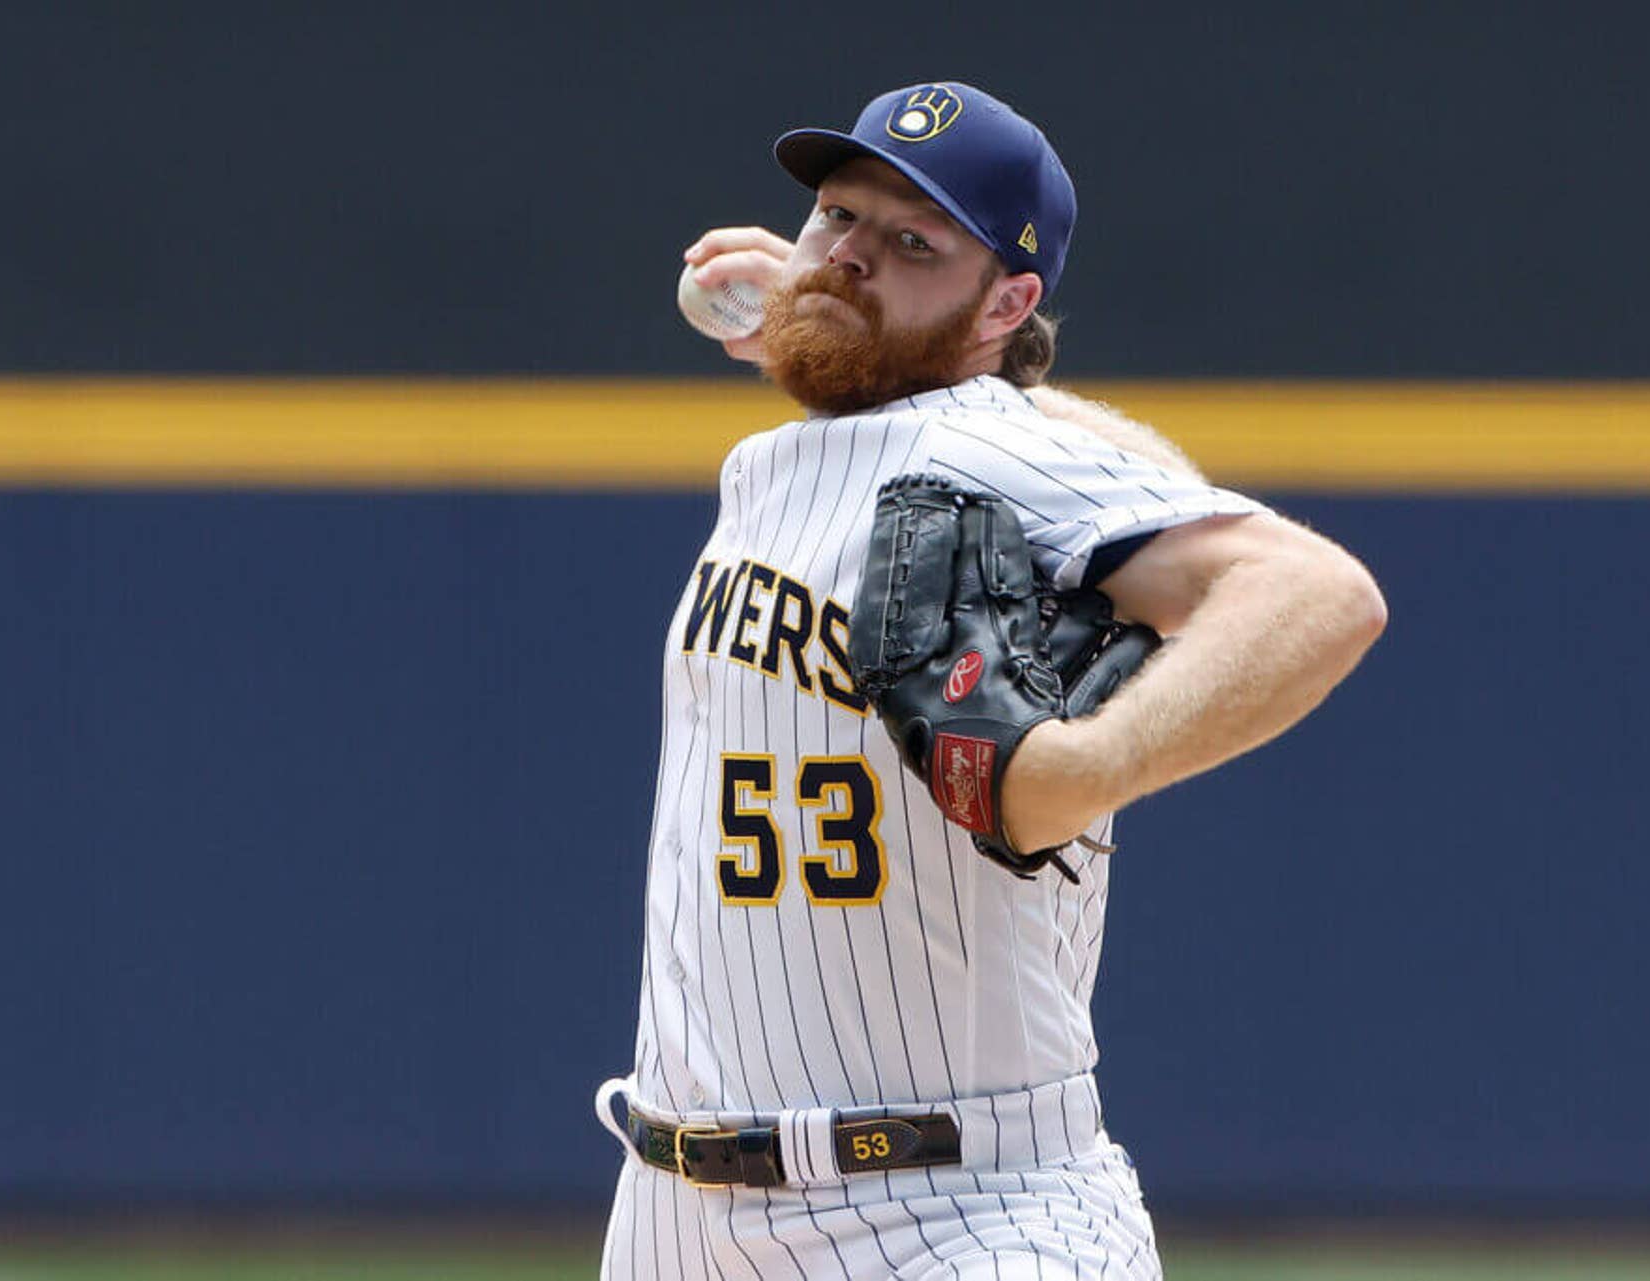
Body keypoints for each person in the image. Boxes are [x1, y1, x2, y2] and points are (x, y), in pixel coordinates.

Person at [594, 81, 1386, 1280]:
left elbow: (1317, 594)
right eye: (834, 219)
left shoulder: (982, 448)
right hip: (672, 1211)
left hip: (954, 1214)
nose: (849, 257)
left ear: (1006, 302)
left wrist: (1082, 768)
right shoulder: (810, 454)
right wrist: (842, 323)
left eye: (913, 243)